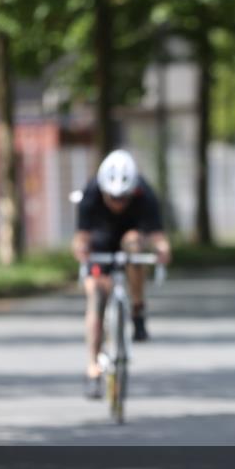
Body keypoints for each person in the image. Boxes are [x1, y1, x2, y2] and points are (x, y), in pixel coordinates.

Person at [72, 149, 171, 398]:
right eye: (113, 197)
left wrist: (162, 250)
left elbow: (158, 238)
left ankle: (138, 309)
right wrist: (81, 252)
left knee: (134, 244)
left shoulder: (145, 194)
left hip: (130, 238)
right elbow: (80, 238)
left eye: (123, 198)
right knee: (96, 295)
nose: (118, 203)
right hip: (101, 242)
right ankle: (93, 368)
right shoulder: (91, 193)